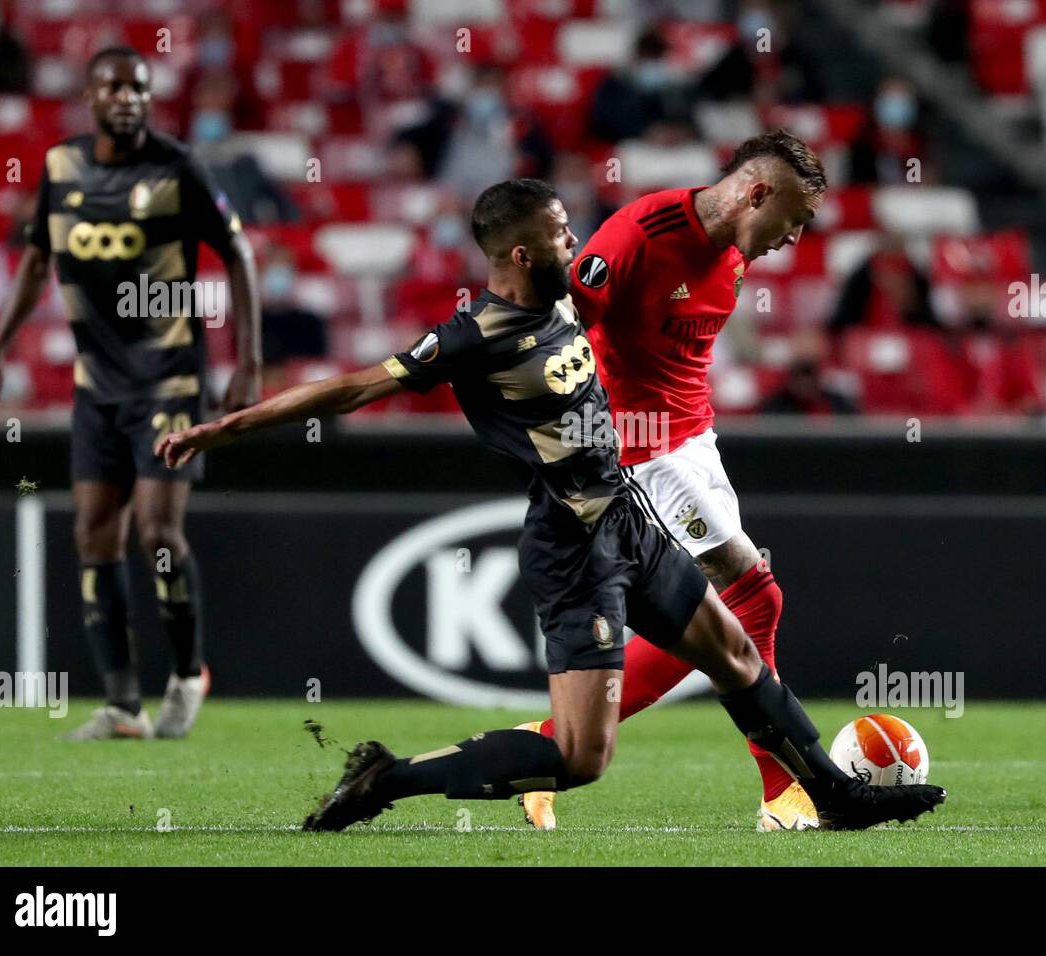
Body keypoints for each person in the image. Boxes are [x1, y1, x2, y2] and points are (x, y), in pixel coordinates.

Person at [155, 179, 946, 832]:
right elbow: (356, 385)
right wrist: (229, 427)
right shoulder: (476, 336)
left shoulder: (564, 300)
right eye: (565, 234)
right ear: (524, 253)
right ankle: (388, 778)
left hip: (629, 515)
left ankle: (837, 797)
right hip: (574, 547)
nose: (579, 245)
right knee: (580, 759)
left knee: (737, 649)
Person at [519, 130, 837, 832]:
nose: (795, 237)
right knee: (756, 595)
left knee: (722, 619)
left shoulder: (733, 259)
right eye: (796, 218)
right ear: (758, 192)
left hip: (695, 441)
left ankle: (544, 746)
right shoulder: (642, 230)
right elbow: (562, 330)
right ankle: (785, 791)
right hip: (640, 448)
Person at [0, 47, 262, 740]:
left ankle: (188, 673)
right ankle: (124, 704)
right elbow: (38, 259)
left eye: (139, 86)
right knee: (93, 536)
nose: (128, 97)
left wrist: (248, 360)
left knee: (157, 533)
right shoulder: (61, 166)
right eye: (114, 86)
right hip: (95, 386)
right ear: (90, 94)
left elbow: (239, 253)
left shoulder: (177, 165)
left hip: (168, 378)